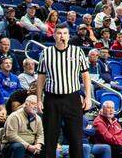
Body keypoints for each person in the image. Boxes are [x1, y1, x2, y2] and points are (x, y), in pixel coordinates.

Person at [37, 24, 93, 158]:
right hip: (52, 99)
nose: (62, 36)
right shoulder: (46, 52)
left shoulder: (77, 51)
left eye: (64, 33)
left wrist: (88, 97)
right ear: (54, 35)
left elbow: (85, 76)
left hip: (72, 98)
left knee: (76, 137)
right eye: (59, 33)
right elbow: (41, 77)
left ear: (69, 36)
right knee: (50, 138)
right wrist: (39, 99)